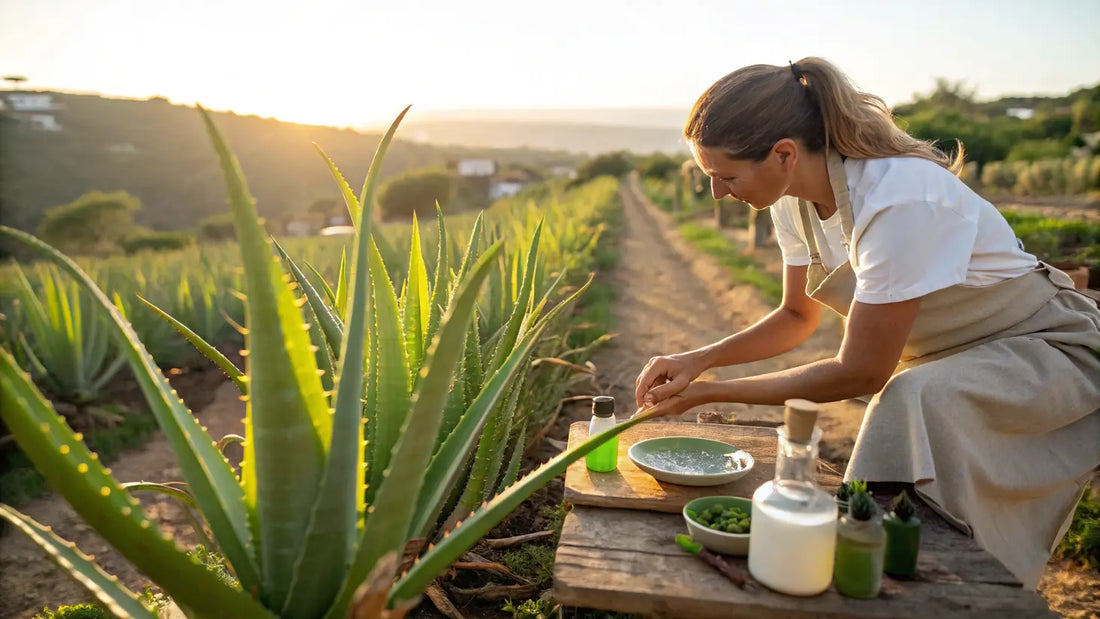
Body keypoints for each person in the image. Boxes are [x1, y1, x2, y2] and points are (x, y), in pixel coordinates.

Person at [633, 57, 1100, 588]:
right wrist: (700, 360)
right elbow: (794, 317)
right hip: (953, 356)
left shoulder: (899, 199)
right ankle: (896, 571)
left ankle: (939, 583)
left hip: (1043, 348)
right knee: (914, 414)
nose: (717, 192)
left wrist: (708, 393)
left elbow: (860, 373)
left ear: (784, 154)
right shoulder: (794, 201)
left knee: (910, 400)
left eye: (726, 176)